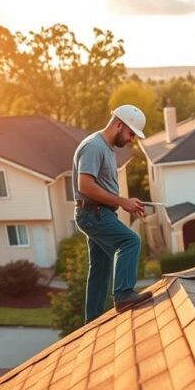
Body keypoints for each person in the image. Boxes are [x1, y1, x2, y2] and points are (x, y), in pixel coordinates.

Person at [72, 104, 152, 322]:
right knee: (130, 242)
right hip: (93, 214)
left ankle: (93, 321)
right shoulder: (94, 147)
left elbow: (101, 186)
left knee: (100, 269)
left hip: (99, 213)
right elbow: (85, 186)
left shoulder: (105, 148)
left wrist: (127, 202)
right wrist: (122, 202)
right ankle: (124, 296)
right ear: (119, 124)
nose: (131, 140)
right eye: (131, 134)